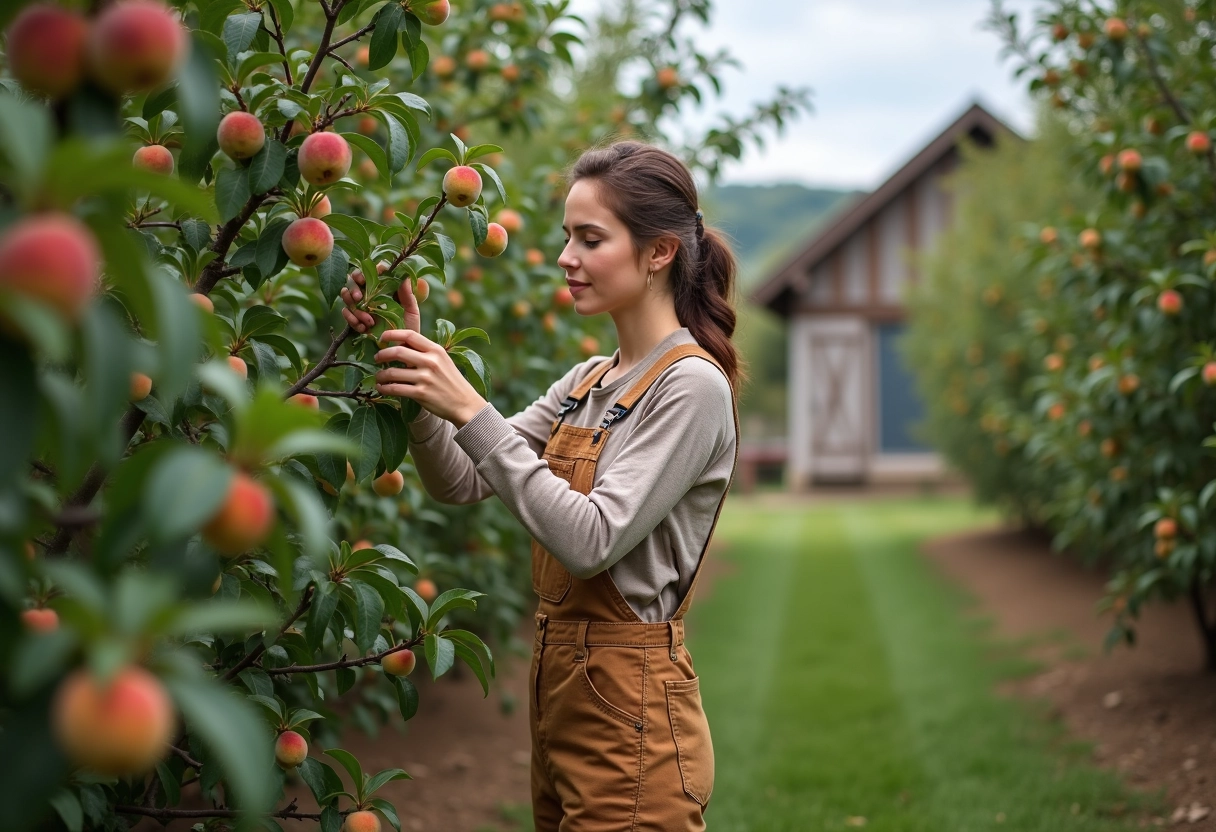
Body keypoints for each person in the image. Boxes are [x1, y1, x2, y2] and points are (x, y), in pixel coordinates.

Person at [340, 140, 742, 831]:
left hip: (632, 707)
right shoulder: (585, 382)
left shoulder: (690, 386)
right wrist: (420, 386)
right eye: (566, 238)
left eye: (591, 238)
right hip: (561, 692)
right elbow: (461, 482)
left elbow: (592, 540)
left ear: (658, 252)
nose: (566, 258)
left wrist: (469, 405)